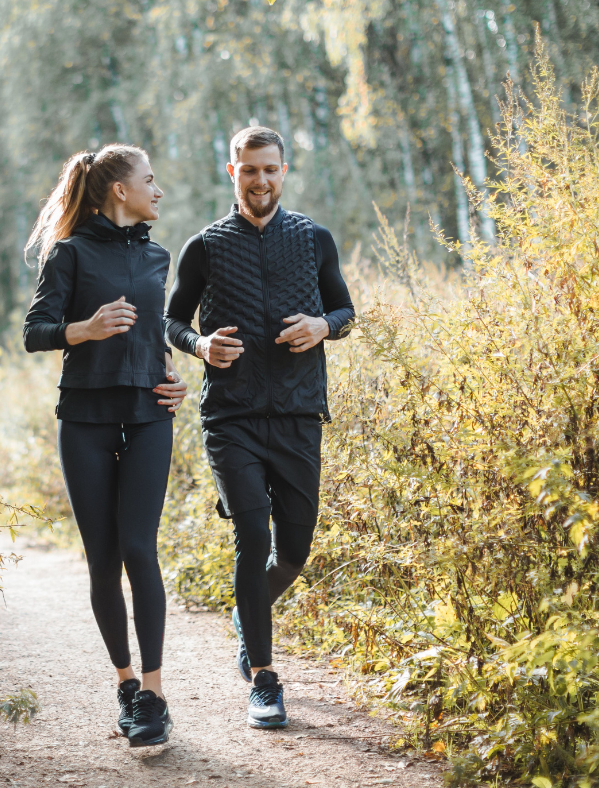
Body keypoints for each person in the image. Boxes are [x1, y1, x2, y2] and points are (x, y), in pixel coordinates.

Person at [164, 126, 355, 729]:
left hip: (299, 413)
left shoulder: (314, 238)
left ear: (284, 170)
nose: (261, 180)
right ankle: (266, 683)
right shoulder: (206, 246)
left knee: (293, 550)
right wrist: (199, 345)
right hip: (232, 416)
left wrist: (324, 326)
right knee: (252, 535)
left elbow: (345, 310)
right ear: (232, 173)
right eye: (250, 170)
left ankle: (250, 616)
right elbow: (172, 322)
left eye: (270, 169)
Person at [23, 144, 187, 747]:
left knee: (140, 550)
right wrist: (84, 329)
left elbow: (153, 335)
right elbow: (34, 332)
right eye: (150, 180)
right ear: (120, 190)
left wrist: (172, 375)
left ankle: (154, 695)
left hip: (149, 414)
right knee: (103, 558)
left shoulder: (158, 256)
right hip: (87, 417)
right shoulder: (68, 254)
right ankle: (124, 682)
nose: (158, 190)